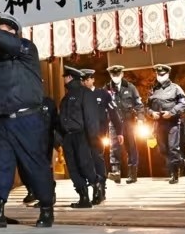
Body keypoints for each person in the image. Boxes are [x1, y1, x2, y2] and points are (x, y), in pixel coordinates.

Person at [0, 14, 53, 229]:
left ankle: (47, 208)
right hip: (1, 122)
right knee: (0, 167)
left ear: (15, 34)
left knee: (35, 164)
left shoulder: (26, 51)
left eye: (5, 31)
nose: (0, 35)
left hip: (27, 118)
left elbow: (10, 43)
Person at [59, 66, 100, 209]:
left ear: (70, 77)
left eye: (65, 76)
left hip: (81, 134)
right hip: (68, 137)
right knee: (73, 168)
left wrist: (93, 137)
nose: (63, 79)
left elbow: (91, 117)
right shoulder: (66, 97)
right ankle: (83, 198)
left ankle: (97, 186)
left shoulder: (85, 93)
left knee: (85, 164)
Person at [80, 69, 122, 205]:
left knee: (97, 160)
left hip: (99, 133)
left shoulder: (102, 94)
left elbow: (113, 112)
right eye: (83, 80)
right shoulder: (79, 95)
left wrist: (120, 131)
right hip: (83, 134)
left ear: (93, 80)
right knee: (86, 162)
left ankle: (100, 189)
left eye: (88, 79)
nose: (86, 82)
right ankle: (91, 188)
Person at [147, 64, 185, 184]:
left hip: (172, 122)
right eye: (158, 74)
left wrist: (171, 112)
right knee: (162, 149)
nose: (160, 76)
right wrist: (151, 113)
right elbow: (146, 107)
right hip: (158, 124)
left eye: (162, 74)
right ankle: (180, 161)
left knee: (173, 148)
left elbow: (183, 104)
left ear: (168, 74)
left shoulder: (176, 88)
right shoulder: (153, 89)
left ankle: (174, 173)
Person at [104, 65, 144, 184]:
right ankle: (116, 172)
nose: (115, 77)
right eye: (113, 75)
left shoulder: (130, 87)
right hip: (114, 123)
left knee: (131, 146)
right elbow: (102, 106)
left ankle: (132, 174)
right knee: (114, 147)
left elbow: (138, 104)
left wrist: (140, 118)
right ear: (110, 75)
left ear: (122, 75)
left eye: (117, 75)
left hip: (128, 121)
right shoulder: (106, 88)